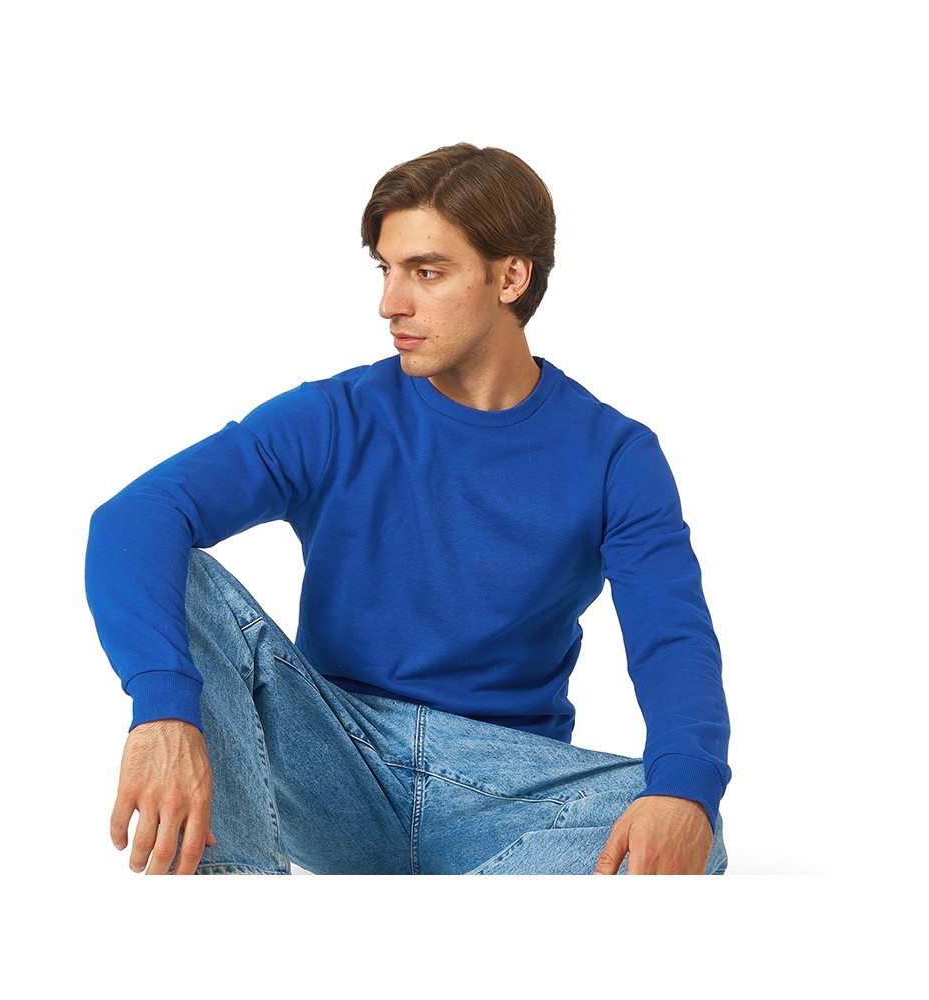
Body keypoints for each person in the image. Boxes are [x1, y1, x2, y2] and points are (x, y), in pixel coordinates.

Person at [85, 143, 731, 875]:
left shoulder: (615, 456)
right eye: (385, 270)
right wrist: (163, 710)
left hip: (503, 783)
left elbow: (672, 639)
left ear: (510, 277)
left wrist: (683, 791)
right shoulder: (334, 416)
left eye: (426, 272)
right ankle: (240, 905)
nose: (391, 303)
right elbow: (133, 517)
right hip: (334, 758)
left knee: (689, 823)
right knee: (183, 573)